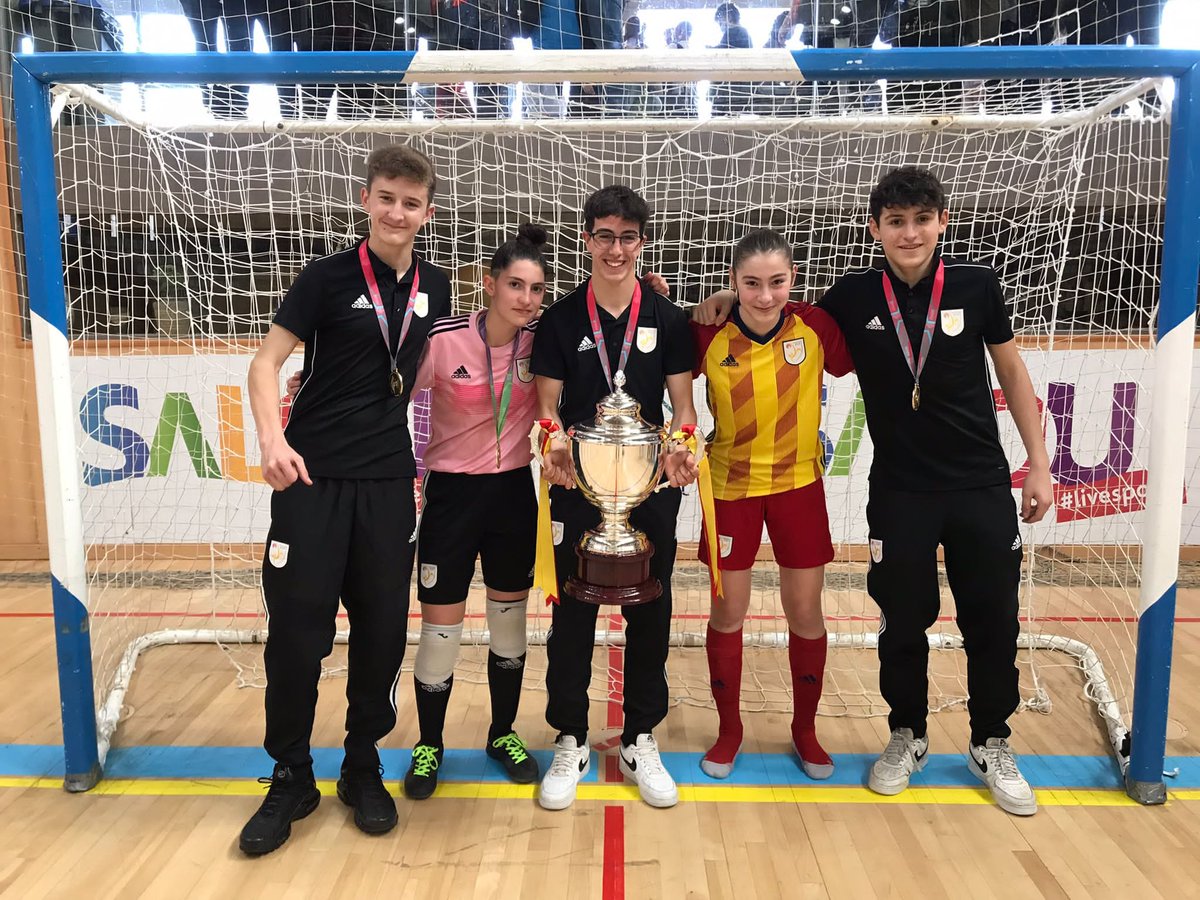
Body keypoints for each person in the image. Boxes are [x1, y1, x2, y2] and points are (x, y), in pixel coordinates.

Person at [694, 167, 1052, 816]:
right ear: (875, 229)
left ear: (942, 221)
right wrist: (721, 295)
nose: (909, 232)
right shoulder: (853, 299)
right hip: (890, 492)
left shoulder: (971, 287)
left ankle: (992, 741)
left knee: (993, 619)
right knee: (902, 622)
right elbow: (759, 310)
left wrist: (1040, 463)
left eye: (921, 219)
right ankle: (906, 735)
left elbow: (1012, 370)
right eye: (896, 221)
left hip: (977, 484)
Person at [241, 145, 451, 855]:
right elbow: (266, 362)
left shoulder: (437, 287)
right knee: (299, 636)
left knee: (384, 632)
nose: (398, 211)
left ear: (427, 212)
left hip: (390, 483)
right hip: (312, 480)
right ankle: (291, 772)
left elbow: (431, 365)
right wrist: (274, 439)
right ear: (366, 200)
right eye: (386, 197)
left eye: (411, 202)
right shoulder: (326, 278)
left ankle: (362, 766)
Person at [531, 185, 699, 811]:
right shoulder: (561, 321)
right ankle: (570, 737)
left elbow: (683, 410)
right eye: (604, 235)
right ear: (586, 238)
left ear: (643, 242)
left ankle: (640, 736)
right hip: (580, 486)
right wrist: (551, 448)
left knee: (651, 613)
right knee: (570, 614)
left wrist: (683, 449)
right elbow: (546, 410)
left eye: (628, 237)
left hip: (648, 488)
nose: (616, 249)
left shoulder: (668, 319)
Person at [691, 229, 853, 780]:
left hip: (798, 490)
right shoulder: (706, 332)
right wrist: (689, 303)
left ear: (793, 280)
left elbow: (868, 353)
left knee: (805, 613)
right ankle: (729, 730)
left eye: (777, 282)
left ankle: (804, 731)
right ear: (733, 283)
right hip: (730, 490)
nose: (765, 296)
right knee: (728, 612)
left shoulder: (815, 327)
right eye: (752, 283)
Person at [400, 225, 548, 799]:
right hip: (452, 498)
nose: (526, 299)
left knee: (509, 626)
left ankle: (502, 733)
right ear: (489, 284)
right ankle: (429, 743)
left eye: (536, 289)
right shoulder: (443, 340)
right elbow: (391, 395)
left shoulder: (543, 342)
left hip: (514, 494)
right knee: (440, 630)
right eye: (515, 285)